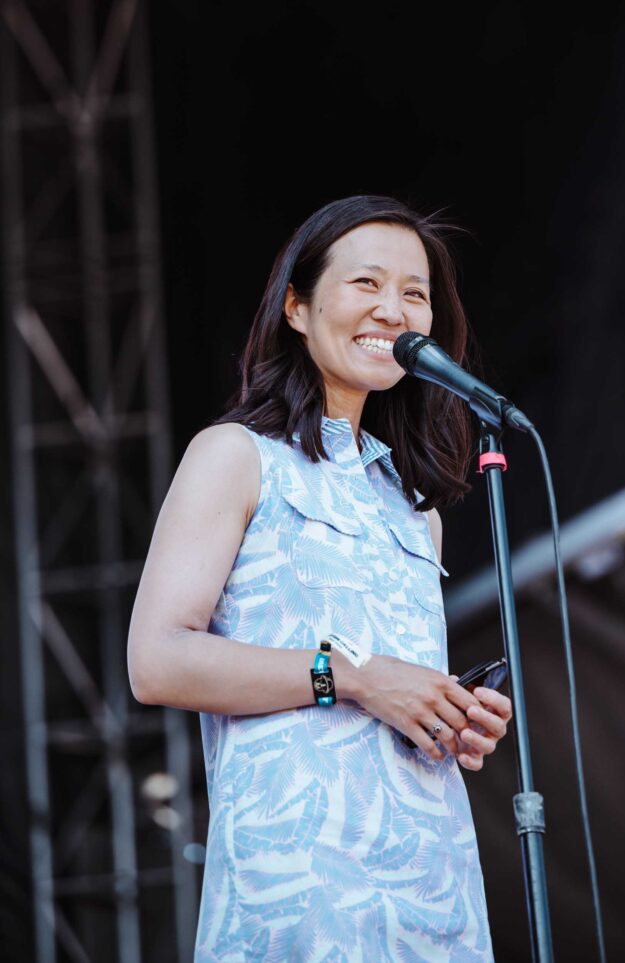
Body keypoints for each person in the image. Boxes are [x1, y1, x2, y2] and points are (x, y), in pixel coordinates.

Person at [127, 195, 513, 962]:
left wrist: (449, 715)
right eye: (366, 282)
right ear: (297, 308)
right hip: (300, 893)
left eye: (414, 293)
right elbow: (157, 660)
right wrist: (357, 678)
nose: (392, 309)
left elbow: (400, 695)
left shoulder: (414, 508)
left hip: (431, 890)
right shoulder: (237, 456)